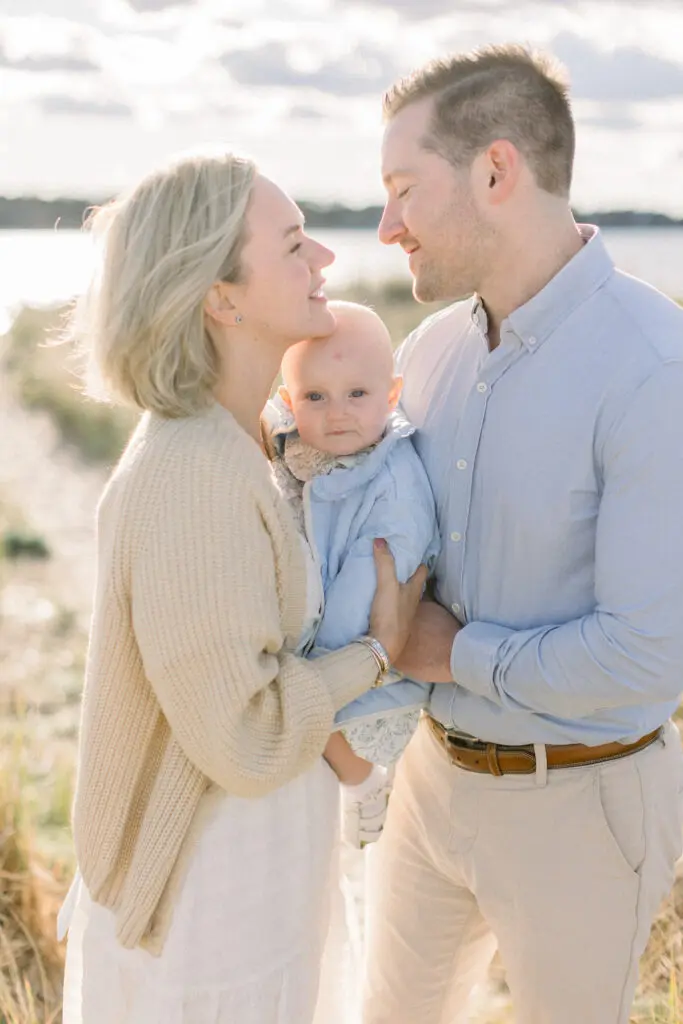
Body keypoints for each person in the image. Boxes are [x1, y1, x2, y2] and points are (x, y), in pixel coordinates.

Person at [57, 148, 426, 1024]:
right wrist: (379, 651)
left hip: (253, 873)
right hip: (207, 904)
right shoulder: (192, 472)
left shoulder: (254, 439)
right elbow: (246, 735)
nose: (324, 258)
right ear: (221, 298)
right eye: (294, 244)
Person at [363, 44, 683, 1024]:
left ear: (494, 171)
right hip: (427, 781)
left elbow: (649, 652)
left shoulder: (653, 370)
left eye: (402, 190)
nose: (385, 226)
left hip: (579, 805)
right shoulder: (428, 350)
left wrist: (450, 653)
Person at [267, 300, 440, 846]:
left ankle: (362, 781)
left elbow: (369, 590)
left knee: (303, 722)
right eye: (315, 397)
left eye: (357, 394)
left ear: (391, 395)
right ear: (289, 402)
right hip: (328, 656)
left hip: (360, 674)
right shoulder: (314, 450)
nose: (337, 413)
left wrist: (316, 668)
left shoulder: (394, 486)